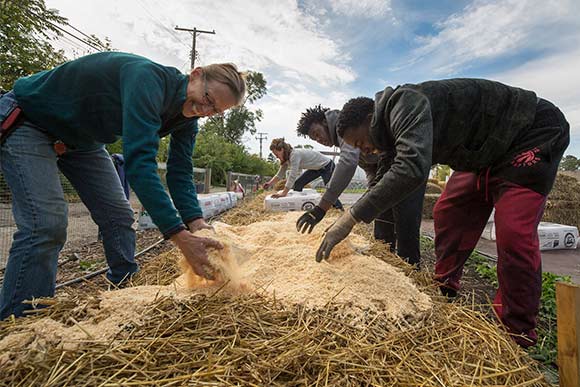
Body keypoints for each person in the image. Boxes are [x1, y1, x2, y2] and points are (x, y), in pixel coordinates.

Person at [315, 78, 569, 348]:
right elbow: (382, 182)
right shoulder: (389, 139)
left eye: (359, 141)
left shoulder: (405, 103)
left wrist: (350, 217)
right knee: (448, 211)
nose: (362, 149)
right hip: (485, 153)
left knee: (513, 233)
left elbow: (411, 168)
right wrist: (350, 220)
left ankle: (516, 330)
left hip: (528, 132)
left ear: (370, 119)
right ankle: (444, 285)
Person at [0, 52, 246, 319]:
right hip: (32, 118)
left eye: (216, 111)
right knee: (46, 223)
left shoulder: (188, 121)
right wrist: (179, 235)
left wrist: (196, 223)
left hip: (83, 140)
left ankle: (124, 289)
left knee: (119, 216)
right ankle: (22, 321)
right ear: (196, 74)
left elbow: (180, 172)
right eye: (208, 99)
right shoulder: (147, 79)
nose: (206, 110)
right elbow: (140, 164)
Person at [295, 105, 425, 265]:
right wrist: (372, 194)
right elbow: (371, 169)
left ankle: (410, 267)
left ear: (324, 122)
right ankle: (385, 262)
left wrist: (321, 208)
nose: (319, 140)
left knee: (405, 220)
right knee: (381, 218)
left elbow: (348, 162)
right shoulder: (344, 138)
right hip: (384, 170)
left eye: (317, 133)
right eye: (315, 140)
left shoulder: (344, 127)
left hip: (406, 167)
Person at [263, 138, 343, 209]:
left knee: (329, 190)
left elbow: (292, 175)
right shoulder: (286, 159)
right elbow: (279, 174)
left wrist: (284, 193)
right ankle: (299, 205)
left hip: (327, 166)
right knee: (298, 184)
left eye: (276, 154)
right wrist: (270, 183)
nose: (276, 157)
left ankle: (339, 208)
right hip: (315, 168)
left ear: (282, 150)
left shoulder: (294, 155)